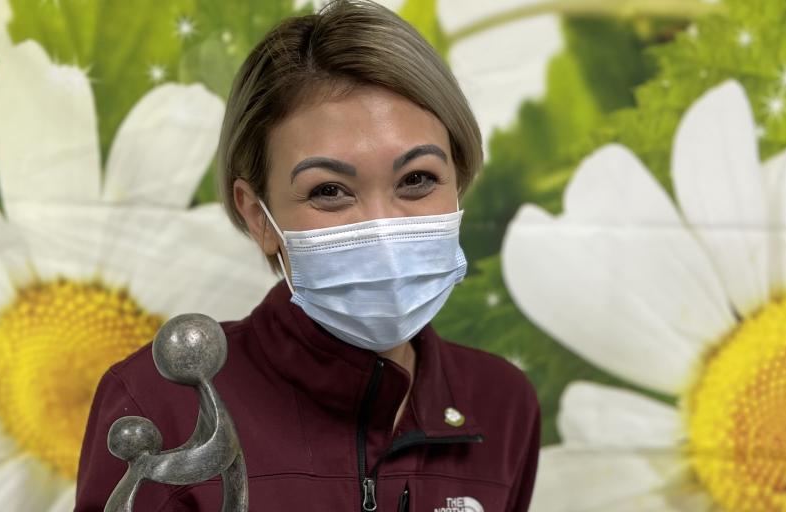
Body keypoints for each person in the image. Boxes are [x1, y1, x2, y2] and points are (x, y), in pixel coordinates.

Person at [74, 1, 540, 510]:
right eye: (329, 191)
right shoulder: (158, 405)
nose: (382, 228)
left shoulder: (503, 404)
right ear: (258, 215)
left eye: (417, 179)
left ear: (459, 181)